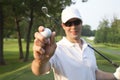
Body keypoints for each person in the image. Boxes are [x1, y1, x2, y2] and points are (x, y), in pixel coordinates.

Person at [31, 7, 120, 80]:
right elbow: (39, 71)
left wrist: (116, 76)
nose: (73, 27)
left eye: (76, 22)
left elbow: (93, 73)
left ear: (81, 23)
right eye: (69, 23)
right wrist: (41, 61)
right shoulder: (56, 49)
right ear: (63, 26)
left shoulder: (89, 47)